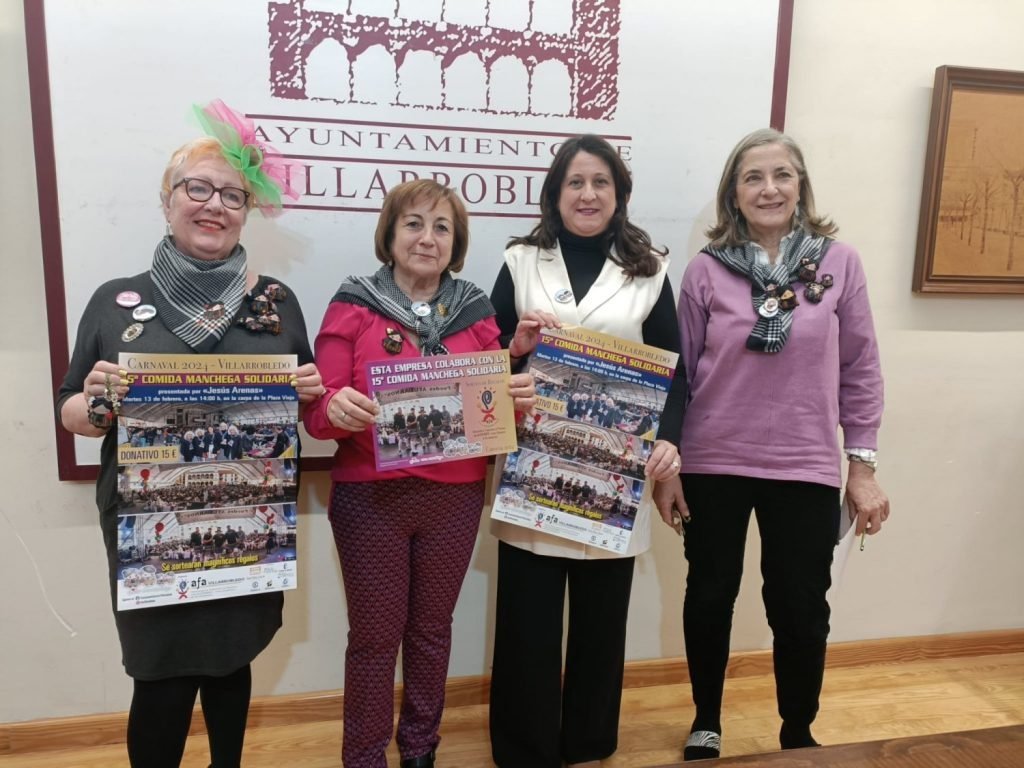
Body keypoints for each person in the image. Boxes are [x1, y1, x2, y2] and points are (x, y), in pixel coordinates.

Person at [56, 100, 325, 768]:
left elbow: (305, 408)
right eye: (197, 188)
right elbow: (70, 408)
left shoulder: (277, 304)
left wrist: (311, 395)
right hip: (151, 525)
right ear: (167, 200)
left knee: (232, 661)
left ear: (247, 210)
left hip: (247, 519)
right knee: (160, 673)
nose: (214, 206)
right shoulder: (114, 301)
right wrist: (95, 405)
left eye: (232, 195)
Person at [668, 128, 889, 760]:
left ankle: (797, 731)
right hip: (712, 461)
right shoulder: (706, 270)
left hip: (804, 464)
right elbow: (680, 374)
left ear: (800, 186)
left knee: (800, 606)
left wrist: (862, 466)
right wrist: (669, 465)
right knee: (709, 596)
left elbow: (861, 368)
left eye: (781, 175)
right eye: (753, 178)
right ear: (733, 194)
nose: (769, 189)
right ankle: (706, 719)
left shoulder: (840, 264)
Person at [303, 179, 536, 768]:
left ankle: (420, 750)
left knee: (432, 631)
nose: (427, 238)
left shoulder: (476, 313)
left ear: (455, 243)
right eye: (413, 223)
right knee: (375, 637)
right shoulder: (353, 304)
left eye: (441, 227)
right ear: (390, 234)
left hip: (455, 497)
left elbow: (493, 413)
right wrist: (333, 407)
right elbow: (319, 415)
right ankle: (364, 758)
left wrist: (515, 391)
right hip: (370, 498)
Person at [487, 134, 688, 768]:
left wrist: (670, 441)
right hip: (534, 470)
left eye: (601, 182)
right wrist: (514, 351)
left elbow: (675, 372)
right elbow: (484, 359)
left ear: (620, 194)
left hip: (615, 475)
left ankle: (588, 743)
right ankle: (524, 749)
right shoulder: (521, 261)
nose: (588, 194)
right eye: (575, 182)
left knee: (601, 625)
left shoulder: (650, 270)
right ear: (555, 194)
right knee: (527, 624)